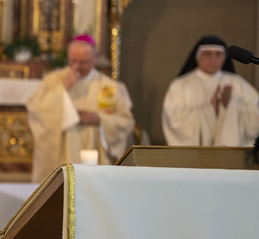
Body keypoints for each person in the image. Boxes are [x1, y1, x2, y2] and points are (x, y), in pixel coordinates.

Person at [26, 35, 135, 182]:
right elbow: (36, 109)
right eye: (73, 61)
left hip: (96, 155)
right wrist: (62, 87)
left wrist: (100, 120)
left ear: (95, 58)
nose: (78, 66)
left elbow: (126, 122)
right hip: (62, 156)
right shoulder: (53, 80)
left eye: (84, 62)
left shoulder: (108, 87)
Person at [162, 35, 259, 146]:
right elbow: (175, 121)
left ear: (224, 57)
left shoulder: (238, 83)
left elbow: (256, 114)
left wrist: (231, 106)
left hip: (232, 153)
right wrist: (211, 108)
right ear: (197, 56)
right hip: (196, 155)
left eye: (218, 54)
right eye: (208, 54)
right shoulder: (180, 85)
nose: (213, 59)